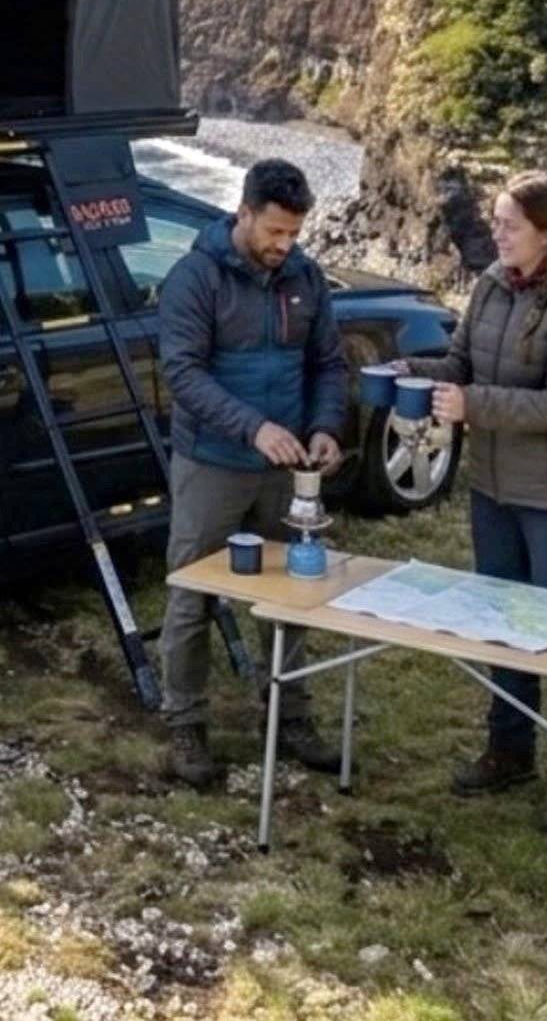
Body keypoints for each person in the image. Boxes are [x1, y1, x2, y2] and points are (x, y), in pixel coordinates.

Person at [419, 170, 547, 835]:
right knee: (503, 621)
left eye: (508, 223)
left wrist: (472, 406)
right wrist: (410, 376)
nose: (495, 231)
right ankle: (510, 750)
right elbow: (460, 364)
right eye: (496, 219)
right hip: (494, 488)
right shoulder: (490, 284)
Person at [155, 157, 350, 788]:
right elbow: (182, 374)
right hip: (212, 462)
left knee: (292, 589)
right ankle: (185, 723)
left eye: (294, 234)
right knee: (192, 594)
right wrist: (252, 428)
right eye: (274, 232)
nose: (283, 246)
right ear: (242, 213)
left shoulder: (306, 278)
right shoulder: (194, 279)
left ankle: (289, 713)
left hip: (288, 469)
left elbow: (328, 363)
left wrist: (325, 427)